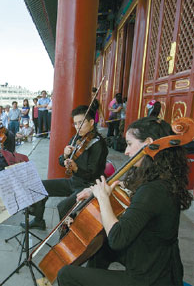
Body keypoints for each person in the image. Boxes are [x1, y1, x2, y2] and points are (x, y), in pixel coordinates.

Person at [58, 117, 192, 286]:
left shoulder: (153, 190)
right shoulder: (160, 177)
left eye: (129, 144)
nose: (126, 151)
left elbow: (118, 238)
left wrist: (103, 199)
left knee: (66, 274)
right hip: (154, 257)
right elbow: (130, 189)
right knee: (101, 249)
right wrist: (95, 190)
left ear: (148, 144)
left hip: (150, 277)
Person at [25, 105, 108, 229]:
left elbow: (93, 174)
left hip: (89, 185)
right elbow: (60, 161)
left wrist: (76, 169)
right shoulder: (76, 139)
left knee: (63, 207)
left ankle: (66, 236)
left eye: (81, 122)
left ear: (91, 122)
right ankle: (38, 220)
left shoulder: (99, 144)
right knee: (39, 186)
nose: (77, 127)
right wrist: (64, 155)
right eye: (75, 123)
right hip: (74, 181)